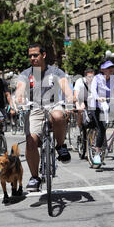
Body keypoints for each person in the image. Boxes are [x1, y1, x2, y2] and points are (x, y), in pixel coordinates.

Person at [15, 43, 74, 192]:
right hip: (34, 108)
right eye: (30, 56)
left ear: (44, 55)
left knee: (58, 115)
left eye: (35, 55)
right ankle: (35, 177)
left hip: (53, 105)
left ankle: (60, 146)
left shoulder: (55, 71)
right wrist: (20, 100)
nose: (32, 58)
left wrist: (71, 101)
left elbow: (66, 89)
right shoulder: (26, 73)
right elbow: (20, 90)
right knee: (31, 141)